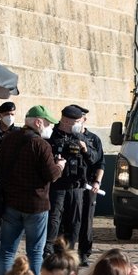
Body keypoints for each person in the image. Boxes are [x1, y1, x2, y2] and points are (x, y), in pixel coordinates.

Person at [0, 105, 65, 275]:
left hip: (11, 202)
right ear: (38, 122)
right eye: (48, 123)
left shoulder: (8, 140)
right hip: (36, 205)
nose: (50, 127)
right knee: (35, 251)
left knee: (6, 250)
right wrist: (60, 166)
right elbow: (51, 175)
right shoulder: (41, 145)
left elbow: (0, 171)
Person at [45, 105, 90, 256]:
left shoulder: (81, 137)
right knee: (54, 220)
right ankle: (49, 251)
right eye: (76, 121)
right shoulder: (51, 135)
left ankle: (68, 254)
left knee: (74, 222)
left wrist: (85, 150)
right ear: (65, 121)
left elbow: (94, 159)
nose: (79, 124)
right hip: (57, 186)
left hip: (76, 187)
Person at [76, 105, 104, 266]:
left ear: (84, 120)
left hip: (89, 185)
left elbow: (101, 163)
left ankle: (84, 253)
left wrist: (97, 181)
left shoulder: (94, 139)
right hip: (73, 185)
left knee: (87, 220)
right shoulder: (68, 136)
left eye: (78, 120)